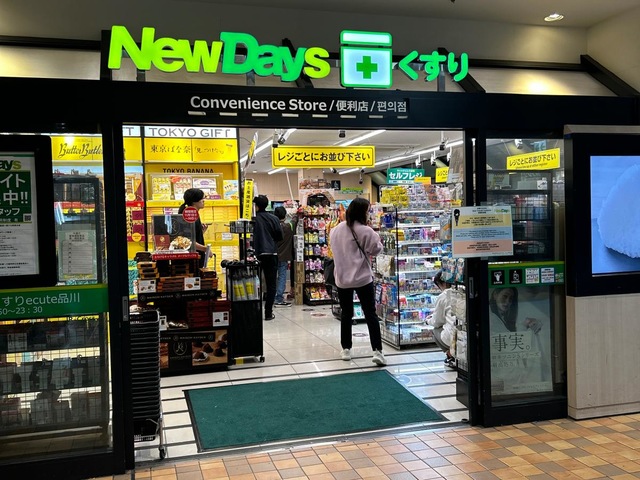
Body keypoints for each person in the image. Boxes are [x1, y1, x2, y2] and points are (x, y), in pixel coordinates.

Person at [329, 197, 386, 366]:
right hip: (362, 278)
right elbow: (376, 250)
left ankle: (346, 349)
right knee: (370, 313)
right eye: (368, 211)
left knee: (346, 314)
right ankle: (377, 351)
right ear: (363, 212)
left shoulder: (336, 230)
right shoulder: (366, 231)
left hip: (342, 278)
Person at [252, 195, 283, 321]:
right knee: (271, 284)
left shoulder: (253, 219)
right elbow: (279, 236)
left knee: (254, 283)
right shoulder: (274, 218)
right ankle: (268, 313)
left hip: (257, 254)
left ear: (256, 206)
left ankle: (255, 312)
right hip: (271, 254)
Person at [426, 270, 458, 368]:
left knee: (435, 330)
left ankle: (450, 354)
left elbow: (436, 321)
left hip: (453, 336)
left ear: (442, 283)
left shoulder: (443, 295)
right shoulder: (461, 291)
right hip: (465, 333)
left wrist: (428, 321)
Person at [178, 188, 208, 268]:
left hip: (194, 258)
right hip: (192, 260)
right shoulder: (189, 216)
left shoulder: (193, 214)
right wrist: (206, 249)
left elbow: (191, 237)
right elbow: (187, 241)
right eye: (202, 198)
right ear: (194, 201)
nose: (204, 201)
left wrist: (201, 232)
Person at [273, 206, 296, 307]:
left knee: (273, 277)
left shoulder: (273, 227)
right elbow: (295, 221)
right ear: (285, 215)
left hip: (272, 255)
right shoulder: (289, 226)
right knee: (282, 276)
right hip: (284, 256)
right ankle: (279, 298)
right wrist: (296, 213)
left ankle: (271, 296)